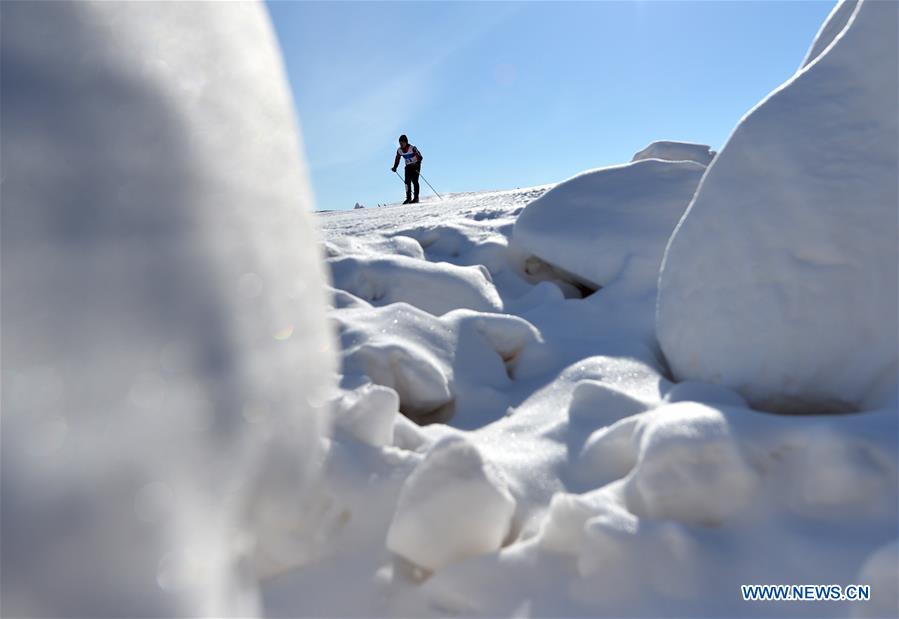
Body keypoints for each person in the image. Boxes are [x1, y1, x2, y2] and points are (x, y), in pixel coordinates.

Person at [391, 134, 423, 204]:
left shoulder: (412, 148)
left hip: (416, 165)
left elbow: (420, 157)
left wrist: (416, 164)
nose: (401, 145)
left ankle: (416, 198)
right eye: (400, 143)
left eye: (402, 143)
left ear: (406, 142)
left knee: (415, 181)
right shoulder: (399, 150)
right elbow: (397, 159)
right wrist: (395, 167)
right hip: (408, 166)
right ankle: (408, 198)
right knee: (407, 182)